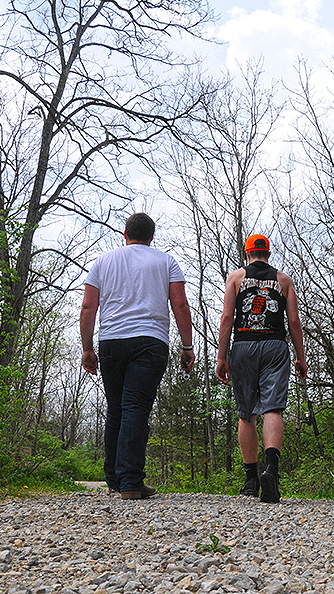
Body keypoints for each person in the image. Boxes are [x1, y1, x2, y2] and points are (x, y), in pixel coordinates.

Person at [80, 212, 195, 500]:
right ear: (152, 237)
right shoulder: (165, 261)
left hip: (111, 342)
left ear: (124, 233)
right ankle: (130, 481)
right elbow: (179, 304)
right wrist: (187, 345)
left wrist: (87, 348)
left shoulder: (102, 262)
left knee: (116, 408)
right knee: (135, 408)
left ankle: (116, 478)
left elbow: (88, 307)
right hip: (149, 341)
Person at [216, 234, 307, 503]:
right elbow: (293, 321)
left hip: (243, 344)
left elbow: (227, 318)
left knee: (246, 413)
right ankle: (272, 470)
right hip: (275, 345)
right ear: (268, 252)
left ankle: (250, 479)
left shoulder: (236, 278)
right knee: (273, 407)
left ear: (247, 253)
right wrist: (300, 357)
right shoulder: (284, 280)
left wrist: (222, 357)